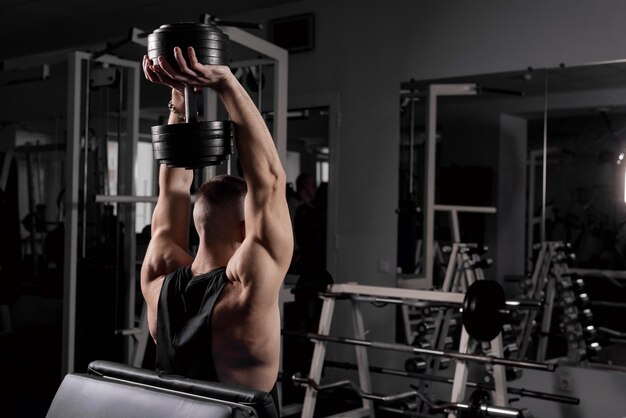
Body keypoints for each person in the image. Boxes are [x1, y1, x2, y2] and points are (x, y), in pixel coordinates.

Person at [140, 46, 293, 412]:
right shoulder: (245, 292)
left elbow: (173, 189)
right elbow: (269, 181)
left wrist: (179, 104)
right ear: (246, 228)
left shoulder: (159, 277)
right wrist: (225, 82)